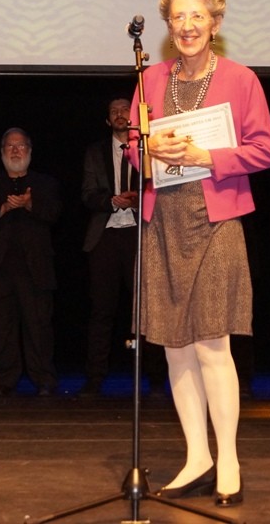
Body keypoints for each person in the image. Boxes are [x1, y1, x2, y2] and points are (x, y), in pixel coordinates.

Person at [129, 0, 270, 507]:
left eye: (198, 16)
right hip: (163, 223)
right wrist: (148, 154)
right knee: (174, 346)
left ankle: (229, 459)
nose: (187, 26)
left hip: (215, 222)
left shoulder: (241, 80)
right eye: (179, 17)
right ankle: (197, 455)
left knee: (214, 343)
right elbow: (131, 150)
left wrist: (204, 157)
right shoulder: (148, 81)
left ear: (214, 23)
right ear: (168, 26)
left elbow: (265, 150)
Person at [79, 97, 166, 398]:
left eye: (123, 110)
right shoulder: (94, 152)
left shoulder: (148, 147)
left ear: (133, 117)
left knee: (145, 311)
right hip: (104, 237)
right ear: (107, 120)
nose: (118, 115)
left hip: (140, 234)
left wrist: (136, 199)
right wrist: (111, 201)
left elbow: (160, 187)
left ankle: (155, 380)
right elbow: (87, 193)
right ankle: (94, 379)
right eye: (113, 111)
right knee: (101, 311)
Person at [0, 128, 61, 397]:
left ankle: (43, 379)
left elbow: (55, 213)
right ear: (1, 153)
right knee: (2, 329)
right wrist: (4, 208)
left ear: (30, 152)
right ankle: (4, 380)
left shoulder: (45, 183)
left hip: (35, 269)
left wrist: (31, 204)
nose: (15, 151)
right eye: (9, 146)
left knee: (39, 327)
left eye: (20, 146)